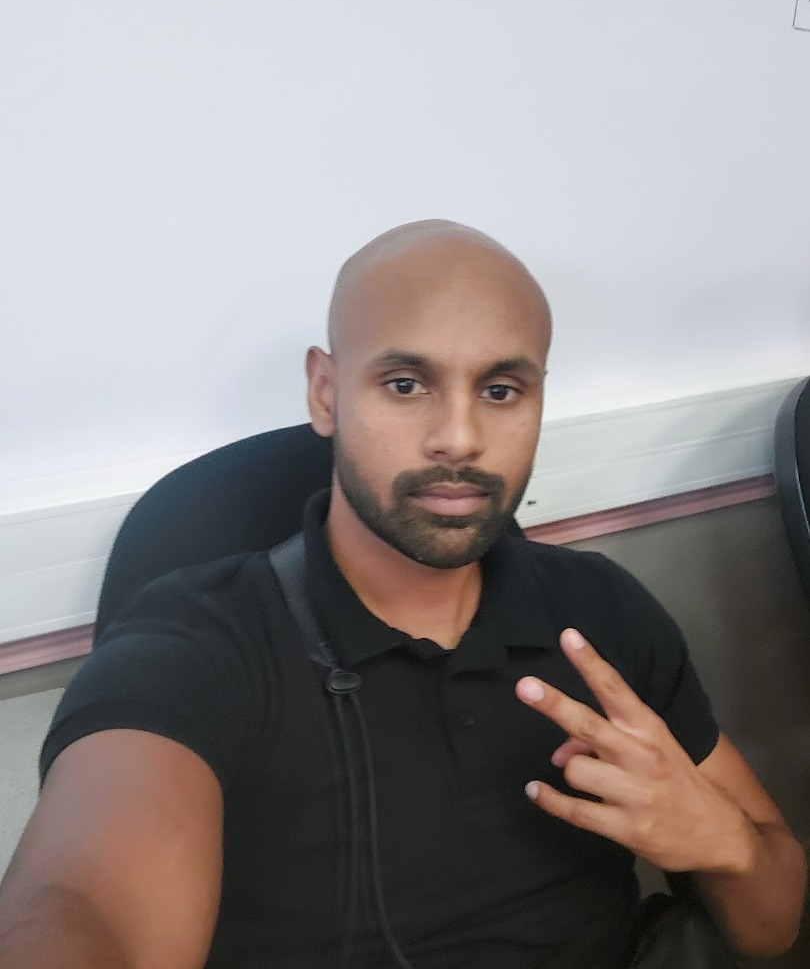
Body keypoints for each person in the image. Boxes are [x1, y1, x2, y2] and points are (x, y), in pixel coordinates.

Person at [0, 220, 805, 969]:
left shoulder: (601, 614)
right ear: (325, 392)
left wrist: (727, 846)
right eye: (406, 383)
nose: (459, 437)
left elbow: (774, 926)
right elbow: (80, 905)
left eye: (501, 390)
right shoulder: (200, 642)